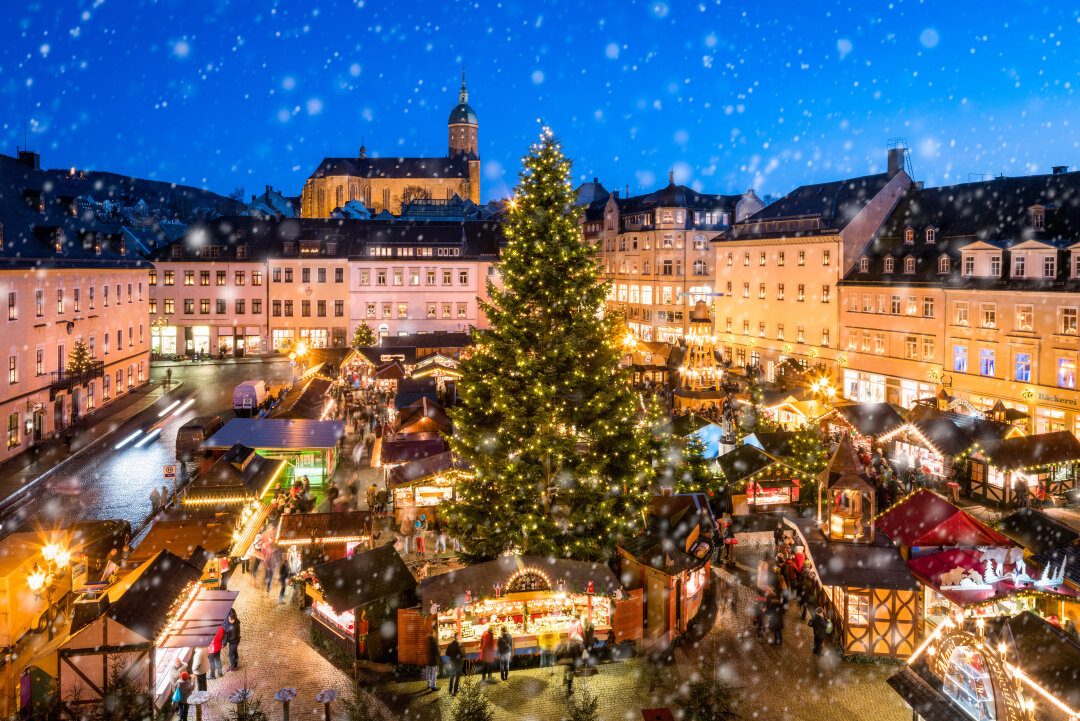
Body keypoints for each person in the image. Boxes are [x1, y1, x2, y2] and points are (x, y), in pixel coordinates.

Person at [425, 628, 440, 692]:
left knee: (428, 673)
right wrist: (439, 651)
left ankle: (428, 684)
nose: (435, 634)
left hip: (427, 660)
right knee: (434, 673)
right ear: (432, 634)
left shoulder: (426, 641)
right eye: (434, 633)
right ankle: (433, 687)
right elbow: (437, 652)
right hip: (433, 660)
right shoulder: (434, 642)